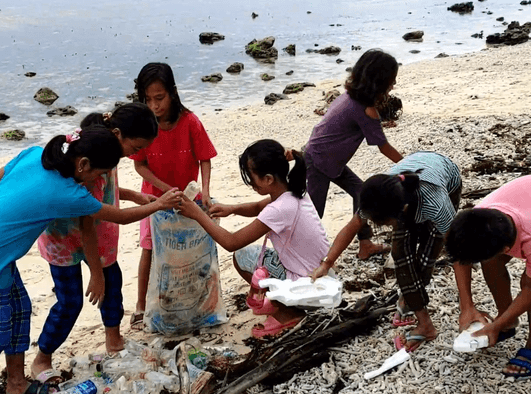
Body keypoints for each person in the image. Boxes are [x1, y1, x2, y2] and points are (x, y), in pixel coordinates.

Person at [0, 125, 182, 394]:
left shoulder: (34, 154)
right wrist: (159, 204)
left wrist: (21, 198)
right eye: (99, 173)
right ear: (83, 164)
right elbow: (118, 216)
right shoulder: (68, 193)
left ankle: (16, 383)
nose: (99, 180)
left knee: (21, 311)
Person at [31, 103, 158, 385]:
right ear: (117, 134)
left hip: (99, 233)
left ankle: (114, 340)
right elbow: (86, 223)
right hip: (65, 238)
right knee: (71, 301)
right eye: (134, 147)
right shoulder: (91, 161)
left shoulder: (107, 156)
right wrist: (96, 273)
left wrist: (133, 195)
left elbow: (105, 193)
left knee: (113, 284)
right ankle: (42, 357)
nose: (134, 154)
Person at [179, 139, 331, 338]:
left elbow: (231, 242)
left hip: (307, 286)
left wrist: (197, 215)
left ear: (268, 179)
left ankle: (289, 312)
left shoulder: (279, 209)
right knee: (249, 255)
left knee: (242, 256)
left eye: (252, 178)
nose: (251, 183)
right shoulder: (294, 192)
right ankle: (284, 304)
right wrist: (231, 209)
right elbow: (260, 207)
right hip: (321, 275)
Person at [311, 151, 462, 352]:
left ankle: (421, 318)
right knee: (401, 255)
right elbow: (351, 227)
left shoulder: (436, 203)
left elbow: (458, 252)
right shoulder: (377, 196)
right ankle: (419, 312)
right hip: (408, 188)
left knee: (428, 254)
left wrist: (467, 308)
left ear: (400, 211)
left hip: (445, 179)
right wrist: (326, 263)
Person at [446, 173, 531, 379]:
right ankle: (508, 321)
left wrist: (495, 326)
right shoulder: (479, 218)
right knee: (490, 260)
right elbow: (460, 257)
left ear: (506, 249)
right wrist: (467, 307)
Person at [130, 62, 217, 329]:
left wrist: (207, 191)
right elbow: (139, 164)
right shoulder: (145, 127)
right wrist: (164, 189)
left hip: (188, 198)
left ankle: (198, 301)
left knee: (191, 250)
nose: (155, 106)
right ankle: (141, 305)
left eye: (160, 98)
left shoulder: (190, 122)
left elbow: (204, 159)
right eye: (149, 100)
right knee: (149, 248)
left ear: (173, 93)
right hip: (154, 200)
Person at [303, 48, 403, 260]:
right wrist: (409, 164)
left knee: (360, 193)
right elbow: (383, 147)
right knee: (313, 213)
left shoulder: (349, 96)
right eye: (392, 80)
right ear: (379, 81)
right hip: (319, 160)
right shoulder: (367, 111)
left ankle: (365, 244)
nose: (393, 85)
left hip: (327, 158)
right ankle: (301, 253)